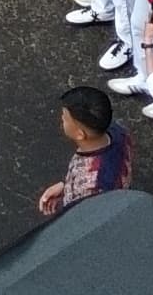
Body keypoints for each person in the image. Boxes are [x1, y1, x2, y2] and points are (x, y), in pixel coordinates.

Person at [40, 81, 132, 218]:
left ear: (80, 134)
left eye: (65, 119)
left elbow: (84, 220)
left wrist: (72, 194)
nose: (61, 119)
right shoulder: (118, 133)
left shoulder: (92, 187)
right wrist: (66, 188)